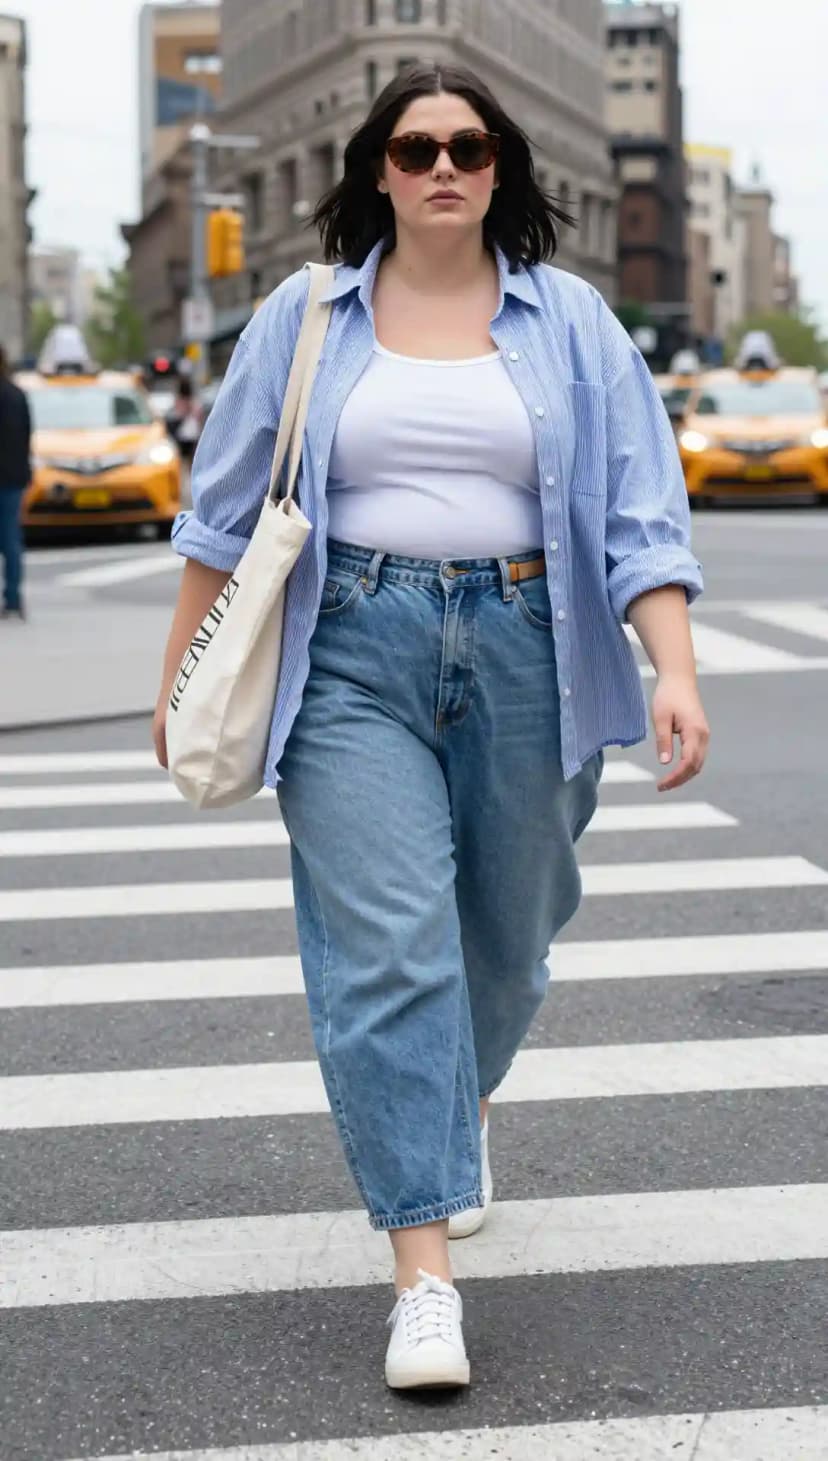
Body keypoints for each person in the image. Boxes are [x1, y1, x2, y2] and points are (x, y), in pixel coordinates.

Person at [154, 63, 710, 1391]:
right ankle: (423, 1276)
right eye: (415, 148)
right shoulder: (304, 316)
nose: (443, 166)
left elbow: (641, 513)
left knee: (507, 946)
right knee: (394, 949)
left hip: (531, 645)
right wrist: (177, 684)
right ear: (378, 172)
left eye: (467, 145)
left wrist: (676, 667)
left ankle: (445, 1116)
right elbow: (220, 517)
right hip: (350, 650)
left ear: (504, 165)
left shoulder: (572, 322)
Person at [0, 344, 31, 621]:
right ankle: (12, 599)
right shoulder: (17, 394)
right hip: (13, 477)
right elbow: (26, 437)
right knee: (11, 539)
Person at [167, 377, 204, 460]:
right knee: (193, 457)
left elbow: (178, 415)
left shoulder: (178, 401)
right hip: (193, 433)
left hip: (182, 434)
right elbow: (199, 417)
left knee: (181, 458)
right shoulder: (194, 401)